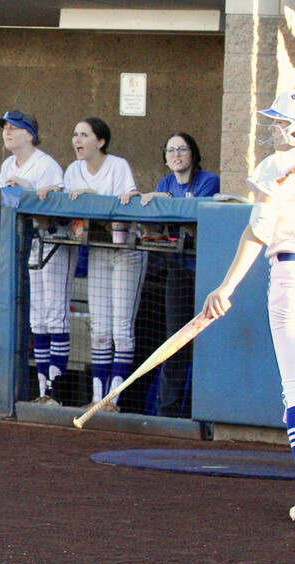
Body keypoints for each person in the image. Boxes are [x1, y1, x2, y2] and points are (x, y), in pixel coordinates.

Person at [202, 91, 295, 519]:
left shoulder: (276, 165)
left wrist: (227, 287)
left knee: (294, 388)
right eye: (276, 121)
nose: (276, 128)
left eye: (283, 122)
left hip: (289, 275)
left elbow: (257, 233)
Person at [41, 117, 140, 409]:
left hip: (125, 248)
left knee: (121, 329)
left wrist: (91, 195)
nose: (77, 140)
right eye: (75, 134)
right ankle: (98, 399)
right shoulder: (73, 170)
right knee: (100, 330)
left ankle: (113, 400)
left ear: (100, 141)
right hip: (97, 248)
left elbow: (125, 202)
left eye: (84, 134)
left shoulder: (118, 165)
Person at [139, 132, 219, 417]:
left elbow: (195, 215)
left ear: (193, 154)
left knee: (208, 339)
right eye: (171, 150)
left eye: (182, 149)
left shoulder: (208, 180)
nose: (176, 155)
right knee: (175, 338)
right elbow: (159, 223)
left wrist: (165, 201)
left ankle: (206, 411)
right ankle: (168, 412)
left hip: (207, 270)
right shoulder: (165, 183)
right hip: (178, 268)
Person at [0, 110, 68, 405]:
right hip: (26, 244)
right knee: (38, 319)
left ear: (29, 134)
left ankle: (57, 390)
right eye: (5, 128)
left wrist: (28, 191)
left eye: (13, 128)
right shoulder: (6, 165)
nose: (7, 132)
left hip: (53, 241)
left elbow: (55, 209)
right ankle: (42, 391)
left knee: (55, 316)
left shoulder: (46, 165)